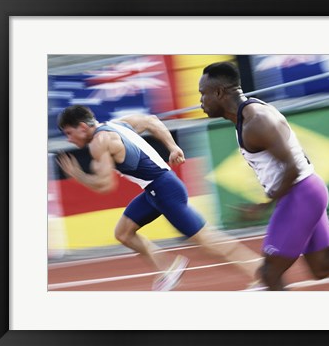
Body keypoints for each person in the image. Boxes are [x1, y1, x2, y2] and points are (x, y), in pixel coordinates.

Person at [198, 61, 329, 291]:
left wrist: (263, 205)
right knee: (322, 267)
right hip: (307, 191)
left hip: (300, 194)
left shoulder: (256, 121)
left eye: (203, 94)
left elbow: (292, 168)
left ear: (219, 92)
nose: (201, 102)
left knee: (269, 274)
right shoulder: (247, 117)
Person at [56, 105, 261, 291]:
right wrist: (172, 147)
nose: (68, 139)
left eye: (69, 133)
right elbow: (152, 120)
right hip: (155, 189)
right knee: (124, 233)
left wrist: (78, 175)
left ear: (82, 127)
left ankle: (261, 275)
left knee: (207, 240)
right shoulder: (119, 124)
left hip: (163, 191)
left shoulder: (99, 142)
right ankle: (168, 267)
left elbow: (105, 185)